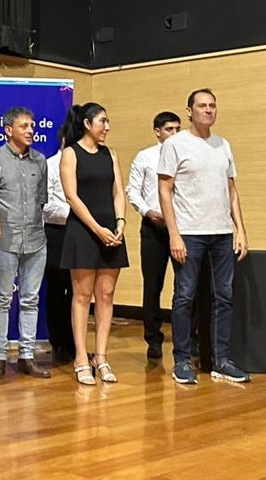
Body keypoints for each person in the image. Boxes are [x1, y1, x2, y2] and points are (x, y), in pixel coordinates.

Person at [158, 88, 249, 386]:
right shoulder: (175, 144)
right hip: (189, 233)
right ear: (189, 111)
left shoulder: (223, 144)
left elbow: (231, 190)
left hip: (222, 233)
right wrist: (174, 234)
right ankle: (182, 360)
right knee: (184, 297)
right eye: (202, 106)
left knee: (225, 296)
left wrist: (240, 229)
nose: (208, 110)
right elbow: (165, 190)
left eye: (212, 106)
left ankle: (222, 360)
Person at [59, 102, 129, 386]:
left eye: (108, 122)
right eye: (102, 121)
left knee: (106, 294)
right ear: (87, 124)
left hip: (112, 230)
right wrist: (97, 229)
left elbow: (118, 192)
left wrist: (120, 222)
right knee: (82, 295)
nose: (107, 127)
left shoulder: (110, 154)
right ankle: (80, 358)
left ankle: (101, 357)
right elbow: (72, 197)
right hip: (84, 229)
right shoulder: (71, 153)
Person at [0, 106, 51, 380]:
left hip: (36, 240)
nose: (30, 130)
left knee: (30, 300)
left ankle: (27, 356)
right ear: (8, 130)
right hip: (5, 241)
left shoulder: (40, 160)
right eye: (24, 126)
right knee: (2, 300)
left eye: (32, 126)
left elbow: (42, 200)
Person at [126, 111, 182, 360]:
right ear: (157, 132)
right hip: (153, 227)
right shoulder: (145, 156)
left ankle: (186, 338)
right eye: (169, 129)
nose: (174, 134)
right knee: (152, 285)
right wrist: (147, 211)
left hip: (182, 227)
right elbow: (132, 190)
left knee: (185, 285)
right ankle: (153, 339)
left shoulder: (186, 155)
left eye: (178, 129)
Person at [43, 123, 75, 364]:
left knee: (79, 290)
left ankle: (76, 344)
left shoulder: (82, 164)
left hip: (82, 233)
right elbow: (45, 205)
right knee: (57, 289)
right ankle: (58, 342)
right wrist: (76, 213)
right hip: (56, 232)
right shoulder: (49, 165)